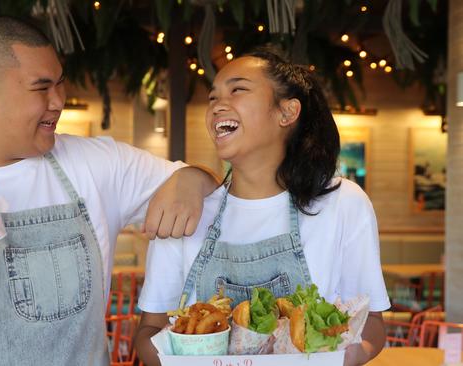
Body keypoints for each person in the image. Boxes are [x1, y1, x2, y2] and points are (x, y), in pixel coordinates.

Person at [0, 16, 217, 366]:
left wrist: (190, 177)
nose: (58, 101)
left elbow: (207, 186)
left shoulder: (96, 165)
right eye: (41, 88)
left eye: (60, 84)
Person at [135, 52, 389, 366]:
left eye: (237, 90)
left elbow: (372, 322)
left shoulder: (342, 203)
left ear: (287, 111)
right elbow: (150, 329)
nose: (216, 104)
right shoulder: (185, 211)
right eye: (213, 96)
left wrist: (345, 356)